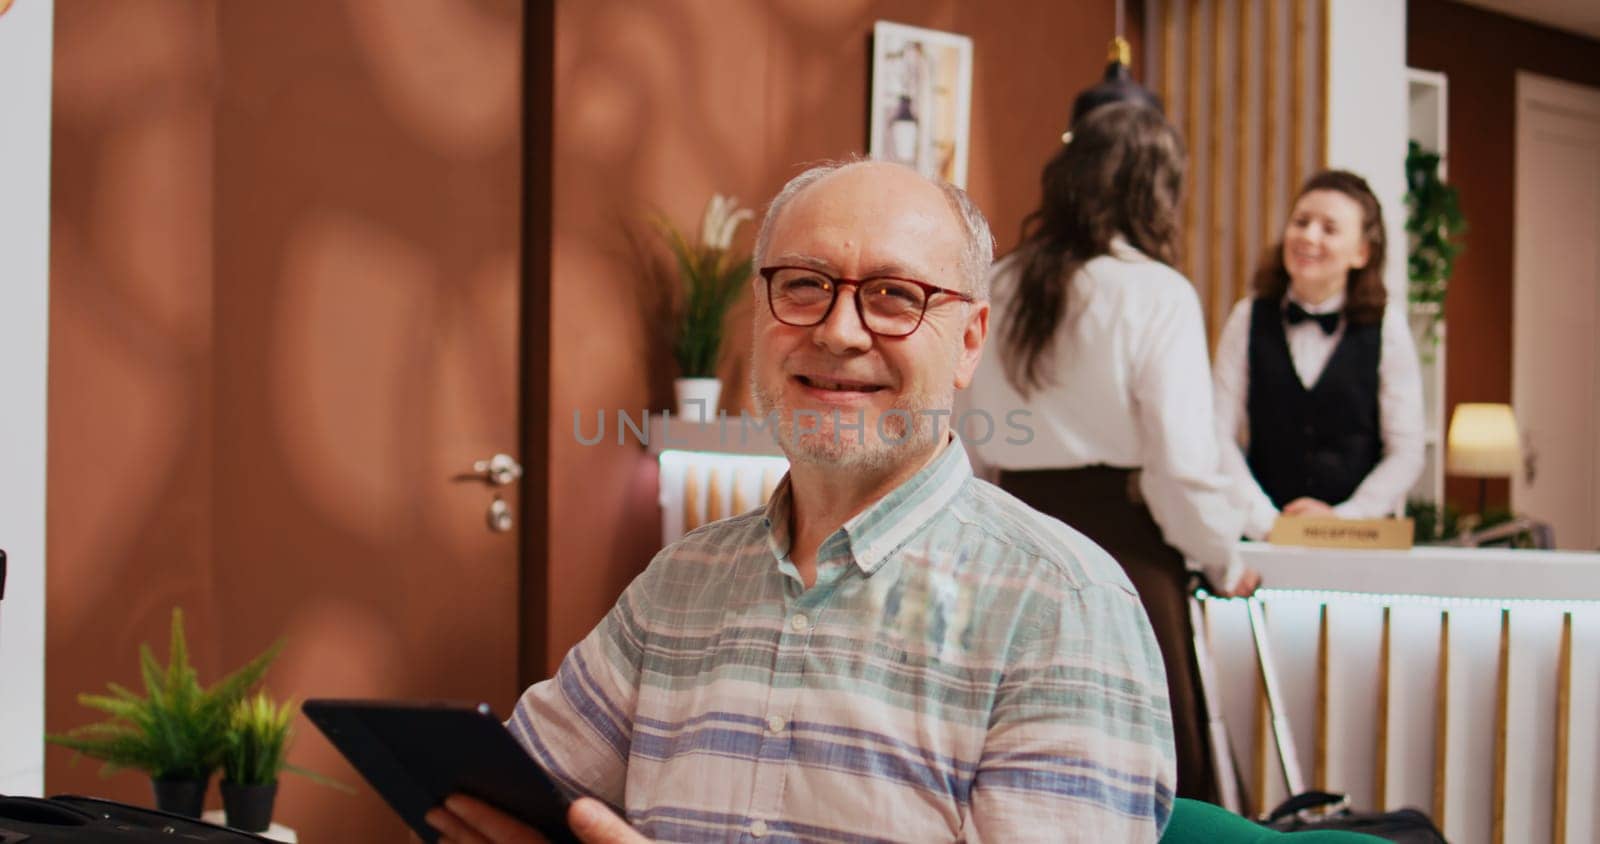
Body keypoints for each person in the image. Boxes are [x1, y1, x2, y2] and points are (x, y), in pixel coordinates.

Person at [428, 160, 1177, 842]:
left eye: (894, 296)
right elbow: (508, 791)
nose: (840, 331)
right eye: (804, 286)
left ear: (971, 339)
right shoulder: (681, 584)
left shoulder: (1062, 607)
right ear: (760, 311)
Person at [957, 101, 1257, 806]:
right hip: (1125, 552)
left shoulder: (999, 283)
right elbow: (1179, 465)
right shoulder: (1156, 293)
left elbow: (965, 433)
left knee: (1012, 767)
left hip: (1009, 538)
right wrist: (1226, 560)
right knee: (1145, 782)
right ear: (1156, 191)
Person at [1212, 170, 1424, 540]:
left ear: (1362, 252)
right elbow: (1217, 434)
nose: (1309, 236)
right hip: (1262, 538)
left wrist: (1345, 521)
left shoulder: (1388, 327)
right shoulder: (1247, 317)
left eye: (1329, 228)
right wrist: (1266, 522)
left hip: (1360, 543)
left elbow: (1406, 451)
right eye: (1301, 222)